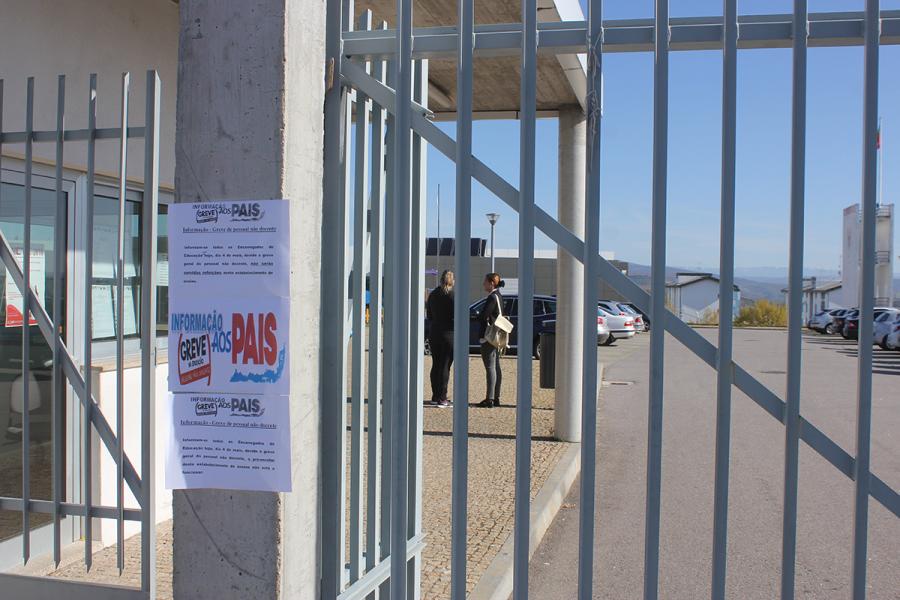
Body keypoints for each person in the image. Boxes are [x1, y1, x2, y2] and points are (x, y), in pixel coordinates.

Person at [426, 270, 455, 407]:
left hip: (434, 332)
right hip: (448, 333)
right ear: (452, 281)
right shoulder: (452, 295)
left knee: (436, 364)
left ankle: (435, 395)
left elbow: (429, 315)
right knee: (445, 365)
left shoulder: (433, 295)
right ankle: (442, 398)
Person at [477, 273, 504, 408]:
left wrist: (478, 317)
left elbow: (484, 316)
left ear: (491, 283)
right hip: (497, 336)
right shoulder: (499, 295)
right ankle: (496, 397)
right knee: (496, 367)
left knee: (490, 367)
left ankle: (490, 398)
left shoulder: (492, 297)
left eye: (485, 282)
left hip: (489, 337)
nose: (483, 284)